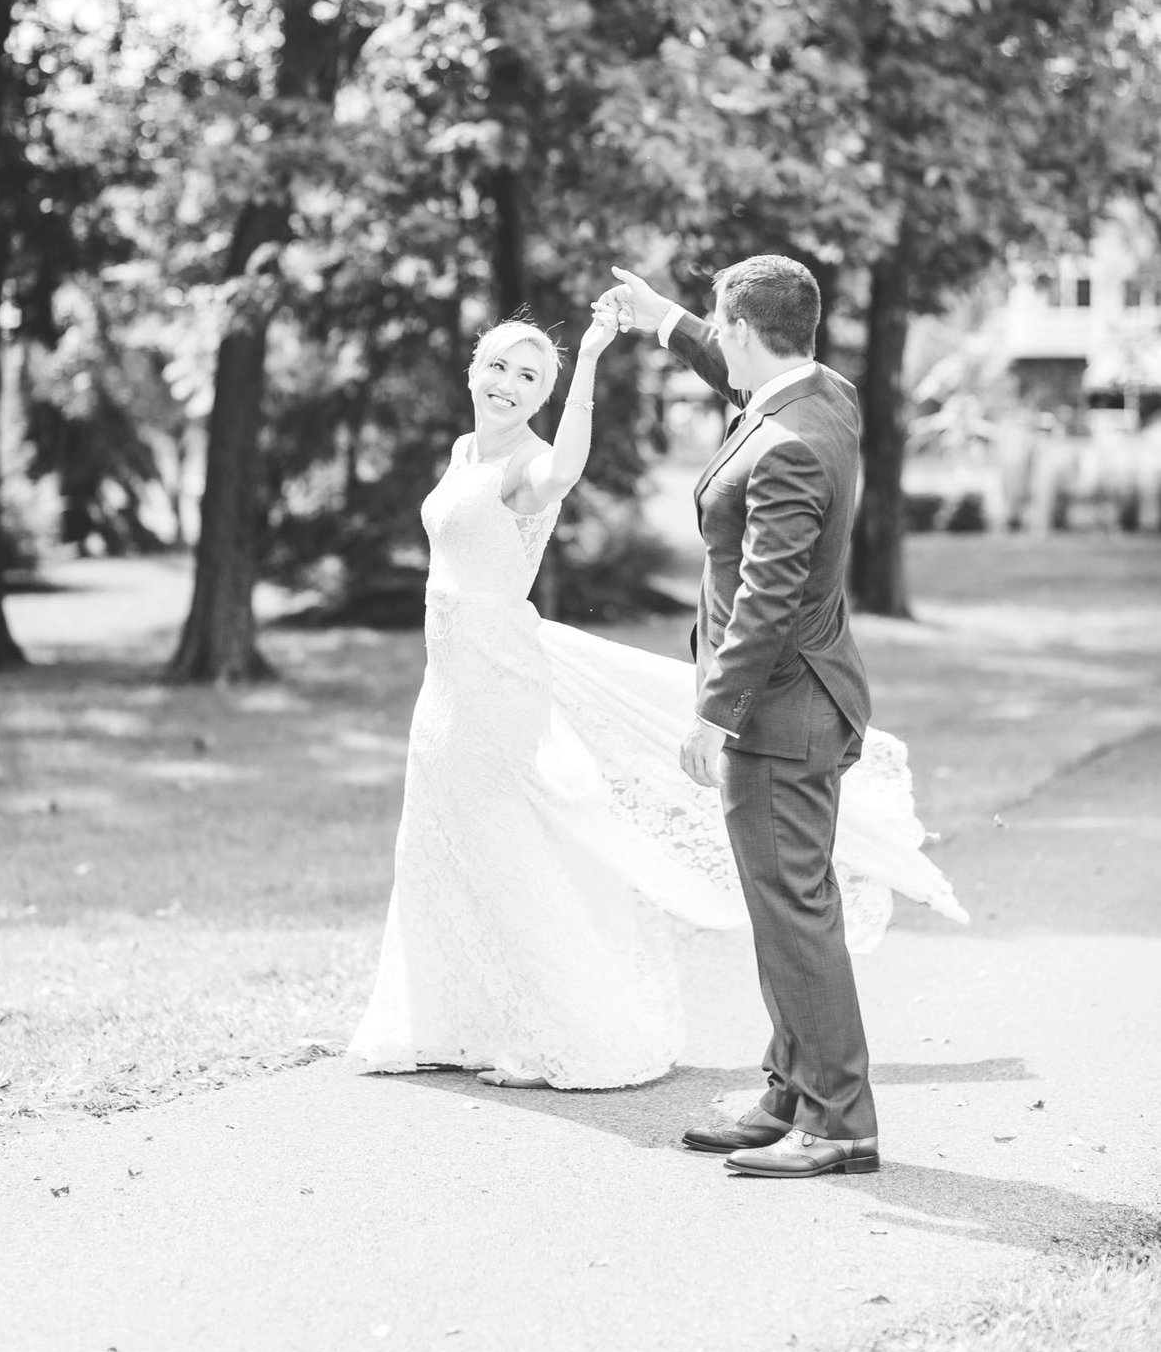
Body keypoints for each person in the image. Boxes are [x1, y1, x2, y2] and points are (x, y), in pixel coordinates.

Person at [348, 284, 962, 1160]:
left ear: (747, 330)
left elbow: (767, 598)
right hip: (782, 700)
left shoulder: (787, 440)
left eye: (722, 324)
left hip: (780, 707)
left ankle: (836, 1123)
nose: (717, 339)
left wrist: (714, 714)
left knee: (793, 910)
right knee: (782, 907)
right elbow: (731, 363)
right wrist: (663, 316)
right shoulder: (822, 394)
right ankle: (791, 1093)